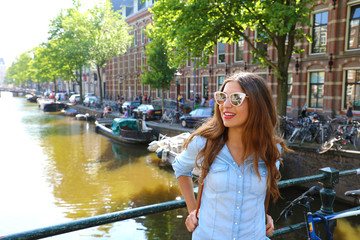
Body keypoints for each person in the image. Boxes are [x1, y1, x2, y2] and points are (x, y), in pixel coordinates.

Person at [172, 72, 289, 239]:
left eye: (235, 99)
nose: (225, 105)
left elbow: (260, 194)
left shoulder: (271, 149)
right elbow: (180, 168)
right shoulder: (204, 143)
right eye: (222, 97)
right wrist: (193, 211)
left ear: (257, 104)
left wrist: (264, 216)